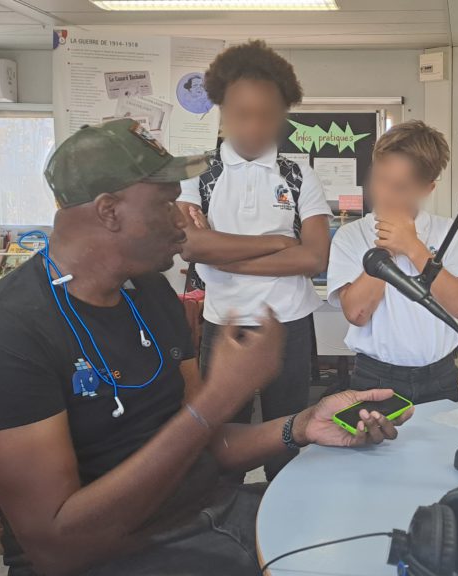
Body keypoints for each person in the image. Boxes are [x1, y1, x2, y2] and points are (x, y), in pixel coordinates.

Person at [0, 118, 411, 576]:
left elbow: (206, 446)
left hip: (209, 516)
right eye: (167, 204)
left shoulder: (149, 294)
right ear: (109, 211)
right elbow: (58, 548)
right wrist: (215, 400)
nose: (184, 222)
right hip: (117, 555)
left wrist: (303, 425)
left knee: (391, 534)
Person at [177, 41, 332, 480]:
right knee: (222, 438)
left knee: (289, 437)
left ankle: (283, 515)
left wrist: (225, 258)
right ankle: (226, 516)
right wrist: (280, 243)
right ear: (222, 111)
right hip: (224, 323)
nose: (254, 126)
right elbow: (192, 246)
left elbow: (315, 256)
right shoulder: (197, 173)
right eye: (242, 113)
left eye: (267, 115)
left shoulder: (298, 175)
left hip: (289, 323)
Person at [326, 121, 458, 404]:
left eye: (399, 187)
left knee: (443, 435)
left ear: (427, 188)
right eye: (379, 178)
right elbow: (357, 314)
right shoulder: (351, 236)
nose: (384, 193)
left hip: (440, 376)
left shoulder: (448, 232)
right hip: (375, 376)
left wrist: (412, 246)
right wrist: (386, 247)